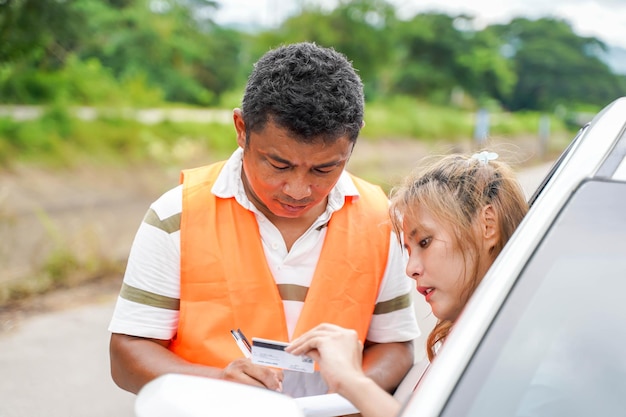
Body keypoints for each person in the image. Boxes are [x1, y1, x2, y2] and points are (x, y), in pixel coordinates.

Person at [107, 42, 420, 398]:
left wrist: (347, 391)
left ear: (353, 141)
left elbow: (396, 347)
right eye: (279, 165)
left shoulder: (380, 222)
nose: (299, 190)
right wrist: (218, 384)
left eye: (325, 168)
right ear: (242, 129)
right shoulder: (176, 217)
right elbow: (127, 354)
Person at [286, 151, 529, 416]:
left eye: (425, 242)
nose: (411, 269)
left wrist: (351, 382)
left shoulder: (520, 352)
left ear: (488, 224)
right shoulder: (483, 336)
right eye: (409, 250)